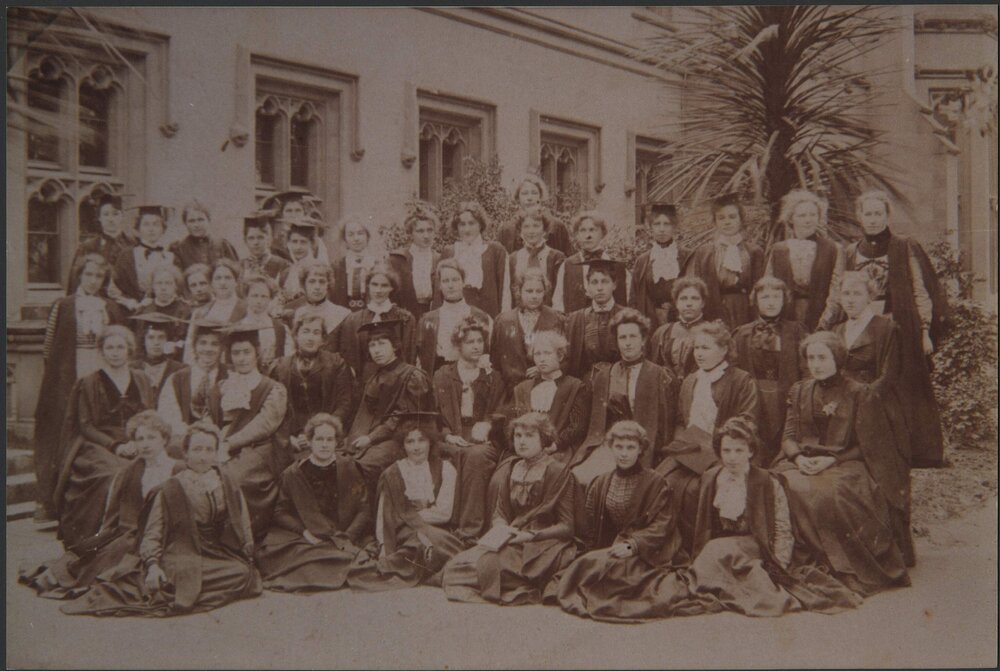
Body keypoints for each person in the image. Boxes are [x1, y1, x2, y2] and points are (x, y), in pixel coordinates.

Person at [61, 421, 261, 617]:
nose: (203, 457)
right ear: (186, 453)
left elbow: (242, 520)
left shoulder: (225, 481)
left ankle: (189, 590)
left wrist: (247, 550)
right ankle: (183, 590)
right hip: (180, 551)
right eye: (197, 450)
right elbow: (153, 530)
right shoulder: (170, 488)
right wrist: (153, 565)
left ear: (216, 453)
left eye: (209, 450)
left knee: (243, 572)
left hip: (215, 551)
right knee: (183, 576)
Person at [773, 332, 910, 595]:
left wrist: (831, 459)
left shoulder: (860, 393)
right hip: (802, 460)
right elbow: (788, 436)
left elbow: (868, 446)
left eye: (822, 357)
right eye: (811, 358)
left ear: (837, 358)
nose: (816, 364)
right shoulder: (799, 390)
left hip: (846, 463)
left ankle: (834, 563)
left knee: (828, 494)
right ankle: (790, 558)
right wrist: (798, 457)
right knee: (779, 484)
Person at [681, 417, 862, 616]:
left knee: (720, 553)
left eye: (739, 450)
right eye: (726, 451)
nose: (732, 457)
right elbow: (703, 525)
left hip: (760, 546)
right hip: (728, 549)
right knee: (712, 561)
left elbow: (782, 527)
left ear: (750, 452)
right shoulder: (713, 478)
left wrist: (780, 565)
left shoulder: (766, 481)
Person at [20, 411, 183, 600]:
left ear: (164, 439)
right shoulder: (132, 471)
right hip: (135, 532)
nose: (145, 444)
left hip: (169, 533)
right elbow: (117, 514)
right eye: (140, 439)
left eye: (151, 437)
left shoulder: (178, 469)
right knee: (104, 563)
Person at [843, 189, 948, 467]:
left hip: (898, 325)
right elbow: (842, 291)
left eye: (879, 213)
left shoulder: (904, 246)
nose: (874, 219)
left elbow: (919, 289)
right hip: (865, 326)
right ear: (860, 217)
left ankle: (911, 449)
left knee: (902, 385)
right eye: (868, 214)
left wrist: (924, 330)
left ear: (887, 216)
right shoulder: (852, 251)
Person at [556, 421, 686, 622]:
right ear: (610, 447)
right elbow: (590, 525)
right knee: (585, 565)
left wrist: (633, 545)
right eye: (619, 447)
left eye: (630, 447)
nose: (624, 454)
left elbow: (663, 525)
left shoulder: (656, 482)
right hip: (615, 548)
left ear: (641, 449)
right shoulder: (601, 482)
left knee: (602, 574)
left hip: (649, 553)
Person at [442, 412, 575, 606]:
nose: (522, 441)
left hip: (544, 545)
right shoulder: (513, 467)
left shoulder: (557, 471)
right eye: (518, 436)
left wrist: (530, 536)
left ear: (544, 439)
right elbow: (501, 511)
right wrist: (501, 527)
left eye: (530, 436)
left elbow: (567, 526)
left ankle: (519, 581)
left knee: (481, 568)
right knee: (454, 567)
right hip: (513, 538)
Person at [654, 320, 760, 553]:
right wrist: (683, 446)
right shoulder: (691, 380)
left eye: (706, 348)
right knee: (661, 482)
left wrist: (717, 447)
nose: (699, 354)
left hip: (725, 452)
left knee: (695, 491)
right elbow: (682, 421)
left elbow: (748, 421)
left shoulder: (741, 380)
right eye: (696, 348)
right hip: (690, 452)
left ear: (724, 350)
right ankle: (668, 549)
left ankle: (699, 550)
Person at [35, 254, 125, 521]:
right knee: (63, 436)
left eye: (99, 276)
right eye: (89, 275)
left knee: (94, 433)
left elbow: (117, 343)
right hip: (67, 377)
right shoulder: (64, 305)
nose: (93, 281)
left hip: (100, 374)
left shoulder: (110, 307)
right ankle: (54, 502)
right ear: (79, 276)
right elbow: (49, 347)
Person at [833, 272, 915, 565]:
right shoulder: (839, 330)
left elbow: (890, 374)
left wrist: (863, 399)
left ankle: (896, 552)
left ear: (870, 296)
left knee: (884, 475)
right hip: (845, 411)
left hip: (879, 409)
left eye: (856, 294)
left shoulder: (886, 328)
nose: (851, 300)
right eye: (846, 295)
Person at [53, 326, 158, 547]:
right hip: (97, 443)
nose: (115, 352)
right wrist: (116, 445)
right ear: (101, 351)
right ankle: (101, 540)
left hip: (138, 439)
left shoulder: (141, 379)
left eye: (120, 347)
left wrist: (139, 441)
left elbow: (148, 415)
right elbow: (86, 425)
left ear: (129, 350)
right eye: (109, 347)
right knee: (113, 474)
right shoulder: (88, 382)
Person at [348, 412, 464, 590]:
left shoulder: (446, 469)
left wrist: (406, 515)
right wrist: (383, 548)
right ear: (402, 445)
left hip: (437, 529)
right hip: (403, 535)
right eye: (410, 442)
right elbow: (383, 517)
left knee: (433, 544)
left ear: (430, 442)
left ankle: (428, 566)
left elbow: (444, 513)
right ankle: (423, 567)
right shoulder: (392, 473)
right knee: (416, 546)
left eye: (421, 440)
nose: (416, 447)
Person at [257, 414, 371, 593]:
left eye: (329, 439)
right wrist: (305, 532)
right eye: (319, 439)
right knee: (293, 557)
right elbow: (280, 511)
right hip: (311, 536)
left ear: (337, 442)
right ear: (309, 441)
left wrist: (348, 535)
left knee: (356, 558)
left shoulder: (349, 467)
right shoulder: (293, 474)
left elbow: (363, 508)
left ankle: (328, 565)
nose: (324, 444)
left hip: (342, 534)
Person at [572, 309, 676, 489]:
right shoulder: (605, 375)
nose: (627, 343)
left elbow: (666, 425)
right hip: (610, 444)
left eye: (633, 337)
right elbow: (597, 426)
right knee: (579, 478)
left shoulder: (659, 375)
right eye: (622, 338)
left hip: (643, 448)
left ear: (643, 340)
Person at [208, 326, 288, 539]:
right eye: (236, 353)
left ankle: (239, 536)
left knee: (235, 478)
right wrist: (211, 442)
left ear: (257, 353)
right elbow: (210, 418)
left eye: (247, 352)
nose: (241, 358)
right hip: (220, 443)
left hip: (258, 448)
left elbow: (264, 425)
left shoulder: (272, 388)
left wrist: (228, 444)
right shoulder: (222, 387)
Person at [432, 316, 506, 540]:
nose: (476, 346)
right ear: (458, 346)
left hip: (483, 439)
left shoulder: (493, 377)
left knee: (475, 456)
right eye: (469, 342)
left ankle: (469, 530)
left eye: (480, 341)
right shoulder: (443, 376)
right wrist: (447, 435)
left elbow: (500, 411)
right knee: (454, 454)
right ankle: (448, 521)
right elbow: (433, 415)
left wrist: (488, 424)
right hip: (450, 435)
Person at [344, 319, 432, 494]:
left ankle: (369, 516)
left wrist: (371, 438)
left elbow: (404, 418)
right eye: (372, 345)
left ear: (395, 347)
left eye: (382, 344)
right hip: (370, 437)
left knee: (362, 466)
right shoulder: (374, 377)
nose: (376, 350)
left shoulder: (412, 376)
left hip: (400, 439)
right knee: (340, 462)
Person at [732, 277, 808, 465]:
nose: (771, 302)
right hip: (753, 396)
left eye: (777, 297)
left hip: (786, 396)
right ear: (755, 301)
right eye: (765, 297)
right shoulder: (741, 333)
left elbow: (807, 369)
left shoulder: (796, 331)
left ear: (785, 300)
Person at [267, 309, 357, 461]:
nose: (310, 337)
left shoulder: (336, 364)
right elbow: (274, 409)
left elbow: (345, 404)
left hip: (328, 435)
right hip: (294, 439)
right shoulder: (281, 367)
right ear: (296, 336)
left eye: (316, 333)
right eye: (306, 331)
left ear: (323, 339)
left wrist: (322, 432)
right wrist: (288, 438)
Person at [765, 190, 844, 331]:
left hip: (821, 317)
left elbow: (836, 291)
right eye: (802, 215)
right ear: (790, 218)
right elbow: (769, 287)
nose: (808, 220)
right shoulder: (778, 250)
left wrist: (825, 322)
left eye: (813, 215)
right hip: (784, 319)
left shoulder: (833, 249)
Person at [683, 193, 764, 328]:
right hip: (714, 305)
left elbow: (759, 287)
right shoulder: (704, 252)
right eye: (721, 218)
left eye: (732, 217)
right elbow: (697, 286)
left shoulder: (754, 251)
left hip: (744, 307)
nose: (727, 222)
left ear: (741, 220)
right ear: (715, 222)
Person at [509, 331, 590, 459]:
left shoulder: (575, 386)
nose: (542, 359)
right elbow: (512, 422)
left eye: (547, 353)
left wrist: (555, 445)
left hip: (558, 450)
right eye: (537, 354)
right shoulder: (522, 388)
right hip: (524, 451)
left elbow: (577, 426)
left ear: (560, 356)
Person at [337, 263, 416, 382]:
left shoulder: (405, 319)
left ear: (392, 288)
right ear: (368, 286)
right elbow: (350, 359)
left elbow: (409, 355)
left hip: (397, 382)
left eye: (384, 285)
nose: (378, 290)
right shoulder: (353, 320)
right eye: (374, 284)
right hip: (364, 383)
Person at [491, 267, 565, 393]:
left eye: (539, 291)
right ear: (519, 291)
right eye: (529, 291)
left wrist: (545, 367)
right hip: (510, 391)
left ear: (545, 292)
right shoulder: (503, 321)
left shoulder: (556, 319)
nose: (534, 296)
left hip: (546, 388)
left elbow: (565, 358)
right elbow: (495, 360)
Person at [159, 320, 228, 452]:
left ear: (222, 349)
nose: (208, 349)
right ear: (194, 346)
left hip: (221, 443)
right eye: (203, 343)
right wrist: (191, 434)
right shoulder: (177, 379)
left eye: (214, 344)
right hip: (185, 443)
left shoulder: (231, 376)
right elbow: (168, 417)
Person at [415, 259, 492, 379]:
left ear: (463, 282)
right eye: (445, 281)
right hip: (439, 378)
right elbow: (420, 361)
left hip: (472, 376)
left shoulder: (481, 317)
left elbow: (490, 353)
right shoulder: (427, 320)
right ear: (439, 285)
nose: (450, 285)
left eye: (455, 280)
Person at [440, 200, 510, 317]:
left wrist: (504, 320)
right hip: (455, 315)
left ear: (480, 225)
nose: (467, 229)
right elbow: (440, 292)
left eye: (472, 223)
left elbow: (505, 291)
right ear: (456, 227)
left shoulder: (495, 250)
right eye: (462, 224)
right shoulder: (449, 252)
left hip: (488, 314)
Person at [553, 210, 628, 314]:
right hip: (577, 326)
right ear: (577, 235)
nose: (588, 235)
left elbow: (628, 300)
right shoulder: (567, 265)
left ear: (602, 233)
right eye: (583, 230)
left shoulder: (617, 265)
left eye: (593, 230)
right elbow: (558, 303)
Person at [564, 258, 626, 378]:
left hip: (620, 382)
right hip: (586, 384)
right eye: (594, 282)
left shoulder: (627, 316)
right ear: (588, 287)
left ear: (614, 285)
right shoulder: (576, 319)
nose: (599, 288)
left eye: (605, 281)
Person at [630, 202, 688, 330]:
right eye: (657, 224)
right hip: (651, 321)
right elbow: (634, 298)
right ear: (650, 227)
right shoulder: (643, 261)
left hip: (681, 319)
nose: (662, 229)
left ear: (674, 227)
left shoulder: (686, 257)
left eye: (667, 224)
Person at [111, 205, 180, 311]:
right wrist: (130, 302)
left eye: (156, 225)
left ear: (163, 229)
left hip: (164, 310)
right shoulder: (127, 255)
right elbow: (115, 286)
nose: (151, 229)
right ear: (138, 229)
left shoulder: (170, 257)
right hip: (133, 310)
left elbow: (178, 288)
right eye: (146, 224)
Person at [182, 258, 247, 364]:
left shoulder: (246, 309)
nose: (222, 282)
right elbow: (190, 348)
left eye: (228, 278)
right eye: (218, 278)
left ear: (236, 281)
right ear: (211, 283)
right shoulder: (200, 312)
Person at [67, 193, 134, 293]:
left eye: (115, 214)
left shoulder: (133, 245)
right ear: (99, 218)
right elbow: (75, 280)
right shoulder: (88, 247)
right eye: (106, 214)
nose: (111, 219)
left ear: (122, 216)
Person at [649, 277, 709, 380]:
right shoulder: (662, 333)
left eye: (695, 298)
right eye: (683, 298)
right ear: (676, 303)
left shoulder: (711, 332)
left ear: (703, 303)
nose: (689, 303)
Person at [498, 174, 573, 256]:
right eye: (524, 193)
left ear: (540, 196)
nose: (529, 198)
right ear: (517, 197)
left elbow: (569, 259)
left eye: (534, 193)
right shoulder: (506, 229)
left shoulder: (556, 226)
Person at [283, 261, 351, 349]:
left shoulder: (343, 315)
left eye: (322, 282)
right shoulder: (294, 314)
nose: (317, 287)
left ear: (328, 285)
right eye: (312, 281)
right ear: (304, 285)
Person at [391, 204, 441, 321]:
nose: (426, 236)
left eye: (430, 230)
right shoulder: (399, 259)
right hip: (406, 313)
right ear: (411, 233)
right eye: (420, 231)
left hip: (432, 313)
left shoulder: (439, 258)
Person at [506, 210, 565, 306]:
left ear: (544, 230)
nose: (531, 231)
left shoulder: (557, 257)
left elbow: (560, 293)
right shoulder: (512, 259)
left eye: (536, 226)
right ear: (520, 231)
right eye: (526, 227)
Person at [133, 264, 191, 361]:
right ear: (153, 286)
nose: (163, 287)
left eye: (168, 283)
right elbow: (137, 342)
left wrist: (177, 346)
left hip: (177, 361)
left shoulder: (186, 311)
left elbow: (190, 340)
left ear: (176, 286)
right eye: (159, 283)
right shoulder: (143, 311)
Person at [238, 274, 293, 370]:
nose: (259, 301)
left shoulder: (280, 328)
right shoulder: (239, 327)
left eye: (264, 296)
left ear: (270, 299)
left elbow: (289, 359)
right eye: (254, 296)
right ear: (246, 297)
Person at [129, 313, 188, 399]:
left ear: (168, 340)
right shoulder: (132, 368)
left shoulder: (179, 369)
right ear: (143, 341)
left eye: (161, 337)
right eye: (151, 337)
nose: (156, 343)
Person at [168, 200, 239, 271]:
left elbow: (236, 272)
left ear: (208, 220)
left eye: (200, 220)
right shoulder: (179, 249)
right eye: (191, 221)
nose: (196, 225)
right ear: (185, 223)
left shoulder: (223, 245)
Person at [261, 190, 327, 263]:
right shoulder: (275, 243)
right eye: (289, 211)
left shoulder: (315, 240)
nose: (293, 215)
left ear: (304, 213)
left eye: (298, 210)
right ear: (282, 214)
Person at [331, 215, 381, 311]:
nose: (356, 238)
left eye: (360, 233)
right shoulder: (336, 267)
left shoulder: (378, 264)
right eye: (351, 234)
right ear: (345, 239)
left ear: (367, 236)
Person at [277, 221, 323, 303]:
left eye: (303, 242)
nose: (298, 247)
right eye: (294, 242)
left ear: (312, 243)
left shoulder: (319, 268)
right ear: (289, 243)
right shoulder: (287, 272)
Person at [239, 212, 290, 281]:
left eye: (260, 237)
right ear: (245, 240)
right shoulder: (240, 266)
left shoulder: (283, 265)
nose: (256, 242)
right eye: (251, 238)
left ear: (269, 238)